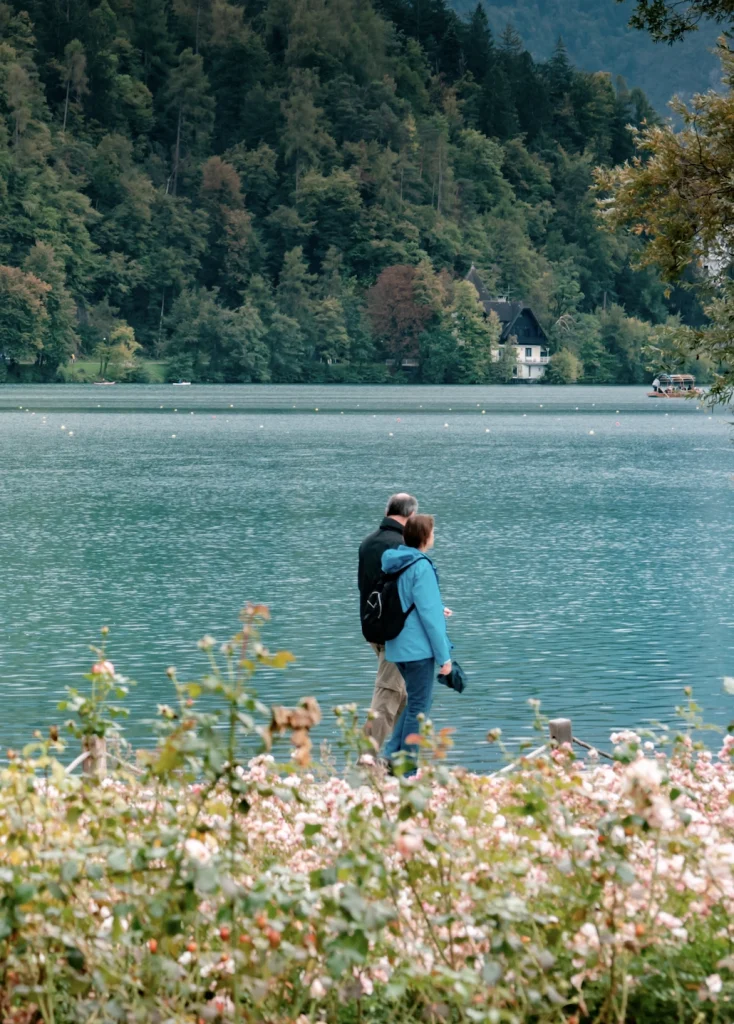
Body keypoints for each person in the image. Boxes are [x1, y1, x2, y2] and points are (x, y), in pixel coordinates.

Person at [381, 514, 451, 775]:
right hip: (418, 649)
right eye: (433, 532)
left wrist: (437, 608)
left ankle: (390, 756)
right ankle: (407, 769)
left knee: (415, 703)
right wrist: (444, 657)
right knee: (420, 708)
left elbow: (408, 600)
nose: (434, 536)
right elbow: (430, 618)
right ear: (425, 537)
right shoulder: (421, 566)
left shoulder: (396, 561)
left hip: (398, 645)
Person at [358, 493, 418, 749]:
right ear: (411, 515)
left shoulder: (367, 542)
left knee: (403, 693)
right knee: (388, 692)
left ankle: (399, 754)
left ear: (388, 510)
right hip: (398, 631)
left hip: (373, 627)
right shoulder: (403, 546)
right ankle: (366, 758)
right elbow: (408, 591)